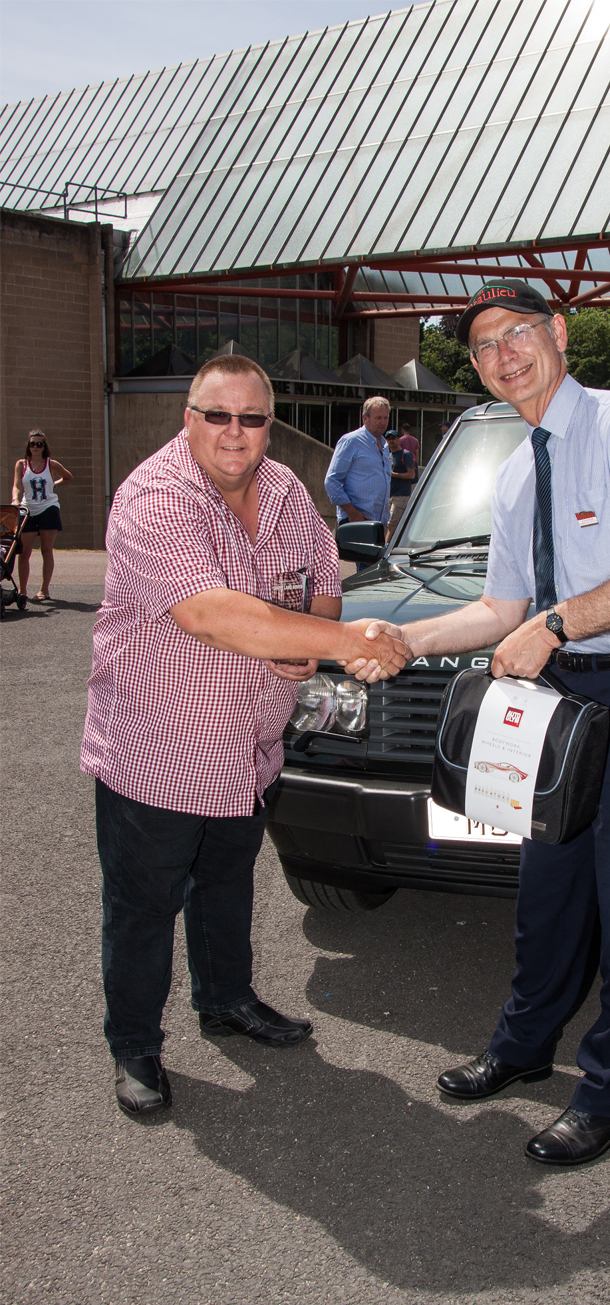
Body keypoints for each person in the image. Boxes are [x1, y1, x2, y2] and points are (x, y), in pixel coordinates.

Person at [354, 280, 610, 1166]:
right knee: (548, 887)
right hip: (561, 702)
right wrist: (400, 638)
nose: (502, 355)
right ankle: (521, 1048)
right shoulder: (517, 471)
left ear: (558, 332)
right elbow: (497, 606)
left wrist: (552, 625)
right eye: (482, 347)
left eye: (517, 333)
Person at [81, 355, 409, 1116]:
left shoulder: (289, 489)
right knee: (143, 901)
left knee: (226, 881)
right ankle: (134, 1043)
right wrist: (343, 639)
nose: (236, 432)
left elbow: (323, 580)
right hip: (156, 746)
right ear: (188, 418)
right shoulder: (155, 495)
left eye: (252, 417)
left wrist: (316, 633)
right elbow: (208, 612)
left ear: (268, 422)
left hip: (248, 744)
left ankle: (225, 998)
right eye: (218, 415)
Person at [11, 430, 73, 601]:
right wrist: (15, 499)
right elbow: (16, 485)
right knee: (24, 551)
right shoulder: (22, 464)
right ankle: (22, 592)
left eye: (39, 444)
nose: (36, 447)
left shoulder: (51, 464)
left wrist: (55, 484)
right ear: (28, 446)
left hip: (48, 508)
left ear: (44, 446)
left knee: (46, 550)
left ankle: (44, 590)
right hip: (28, 509)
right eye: (32, 444)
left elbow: (68, 477)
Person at [324, 396, 392, 529]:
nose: (383, 422)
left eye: (386, 418)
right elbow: (332, 481)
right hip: (355, 522)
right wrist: (352, 513)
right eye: (378, 418)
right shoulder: (351, 441)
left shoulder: (384, 445)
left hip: (378, 523)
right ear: (365, 418)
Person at [385, 430, 415, 542]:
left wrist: (394, 474)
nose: (391, 441)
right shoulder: (388, 456)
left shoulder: (405, 454)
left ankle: (385, 549)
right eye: (389, 438)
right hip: (389, 495)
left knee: (391, 524)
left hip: (401, 495)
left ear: (398, 439)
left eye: (394, 438)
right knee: (388, 524)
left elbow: (411, 475)